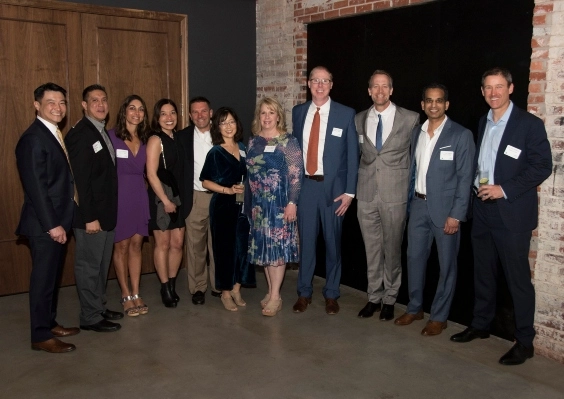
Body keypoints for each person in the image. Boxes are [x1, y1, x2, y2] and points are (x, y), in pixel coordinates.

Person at [450, 68, 552, 365]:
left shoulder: (529, 125)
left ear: (510, 88)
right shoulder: (484, 122)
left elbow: (541, 166)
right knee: (483, 273)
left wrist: (503, 190)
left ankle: (525, 341)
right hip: (482, 210)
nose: (493, 93)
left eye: (499, 87)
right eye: (488, 88)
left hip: (512, 213)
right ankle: (481, 325)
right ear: (482, 92)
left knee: (517, 280)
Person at [394, 84, 475, 335]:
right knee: (414, 259)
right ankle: (415, 308)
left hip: (446, 212)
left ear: (446, 105)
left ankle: (440, 316)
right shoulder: (417, 133)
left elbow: (465, 178)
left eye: (439, 101)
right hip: (418, 205)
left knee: (446, 265)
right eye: (429, 101)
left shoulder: (461, 135)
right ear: (422, 104)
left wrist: (457, 214)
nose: (433, 105)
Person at [15, 83, 79, 353]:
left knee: (52, 277)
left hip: (58, 219)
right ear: (37, 105)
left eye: (62, 102)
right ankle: (40, 336)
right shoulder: (33, 138)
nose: (58, 107)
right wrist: (53, 225)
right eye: (51, 102)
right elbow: (37, 188)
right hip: (45, 224)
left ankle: (49, 323)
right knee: (42, 280)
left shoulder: (52, 133)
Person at [291, 66, 359, 315]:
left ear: (331, 85)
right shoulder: (298, 112)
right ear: (308, 84)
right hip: (306, 187)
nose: (320, 85)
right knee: (306, 243)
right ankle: (304, 293)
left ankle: (331, 294)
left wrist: (350, 192)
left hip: (334, 192)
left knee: (332, 244)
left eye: (325, 81)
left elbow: (353, 155)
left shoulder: (345, 113)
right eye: (315, 80)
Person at [356, 70, 420, 321]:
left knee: (392, 249)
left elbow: (416, 159)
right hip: (366, 194)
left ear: (392, 90)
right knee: (371, 249)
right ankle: (373, 297)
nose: (380, 91)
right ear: (369, 90)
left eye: (385, 87)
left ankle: (390, 299)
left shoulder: (411, 119)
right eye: (375, 86)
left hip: (395, 195)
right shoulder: (358, 119)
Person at [65, 84, 122, 332]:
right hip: (91, 217)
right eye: (94, 100)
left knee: (100, 265)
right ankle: (90, 317)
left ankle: (98, 306)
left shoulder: (99, 131)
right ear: (84, 105)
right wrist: (89, 218)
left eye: (104, 99)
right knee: (89, 266)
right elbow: (80, 181)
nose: (100, 104)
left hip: (105, 215)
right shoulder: (80, 135)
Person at [246, 97, 304, 316]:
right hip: (259, 204)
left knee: (277, 249)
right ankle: (271, 291)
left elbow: (296, 176)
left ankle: (276, 297)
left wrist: (292, 203)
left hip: (279, 204)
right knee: (265, 249)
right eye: (263, 113)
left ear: (278, 116)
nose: (267, 117)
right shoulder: (253, 141)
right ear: (258, 116)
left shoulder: (288, 142)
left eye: (271, 112)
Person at [201, 107, 253, 311]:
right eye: (224, 123)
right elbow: (205, 182)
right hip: (223, 206)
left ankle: (237, 288)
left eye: (231, 121)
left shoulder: (242, 147)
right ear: (218, 127)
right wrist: (227, 189)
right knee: (224, 251)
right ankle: (224, 292)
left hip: (243, 207)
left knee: (243, 248)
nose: (228, 126)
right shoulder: (216, 151)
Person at [108, 95, 151, 316]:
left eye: (141, 109)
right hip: (119, 198)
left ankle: (136, 292)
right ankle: (125, 293)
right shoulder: (110, 136)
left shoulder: (146, 139)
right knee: (121, 246)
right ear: (124, 111)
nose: (136, 113)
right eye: (132, 108)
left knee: (136, 245)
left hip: (139, 196)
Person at [176, 97, 220, 305]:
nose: (200, 115)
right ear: (190, 115)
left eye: (203, 111)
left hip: (221, 196)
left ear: (211, 113)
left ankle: (219, 285)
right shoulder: (182, 137)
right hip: (196, 196)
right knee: (195, 247)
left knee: (219, 244)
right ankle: (198, 288)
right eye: (195, 112)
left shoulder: (222, 133)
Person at [146, 98, 186, 308]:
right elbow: (151, 174)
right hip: (161, 197)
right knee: (163, 243)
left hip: (177, 197)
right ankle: (164, 287)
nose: (169, 118)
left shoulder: (177, 138)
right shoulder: (156, 140)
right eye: (164, 114)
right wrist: (165, 201)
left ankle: (172, 284)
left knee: (177, 244)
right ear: (157, 117)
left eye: (172, 113)